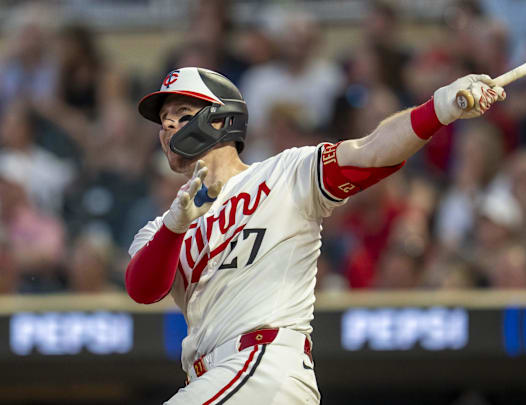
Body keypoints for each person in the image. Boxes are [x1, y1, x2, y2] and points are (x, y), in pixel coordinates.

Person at [125, 66, 504, 404]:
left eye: (181, 114)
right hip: (219, 378)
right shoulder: (161, 229)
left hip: (261, 364)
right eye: (163, 120)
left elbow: (372, 152)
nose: (168, 127)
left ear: (220, 119)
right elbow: (143, 289)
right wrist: (176, 223)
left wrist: (440, 107)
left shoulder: (283, 173)